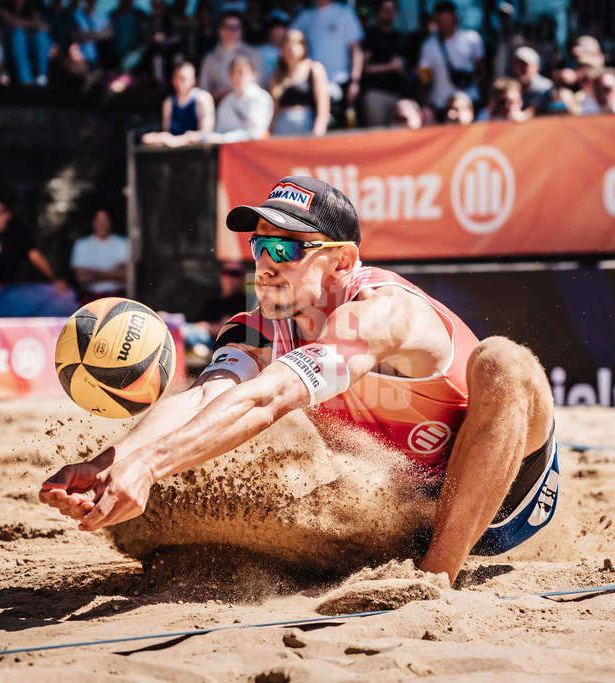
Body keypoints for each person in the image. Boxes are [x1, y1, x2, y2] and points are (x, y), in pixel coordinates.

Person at [39, 175, 558, 586]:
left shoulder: (379, 311)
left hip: (505, 497)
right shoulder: (257, 327)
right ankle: (417, 555)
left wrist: (150, 468)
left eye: (286, 249)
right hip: (409, 511)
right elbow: (204, 397)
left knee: (504, 363)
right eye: (259, 245)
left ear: (342, 261)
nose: (265, 263)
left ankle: (434, 580)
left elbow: (271, 398)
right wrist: (113, 463)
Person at [290, 0, 364, 127]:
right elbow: (288, 39)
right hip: (312, 84)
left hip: (341, 82)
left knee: (342, 127)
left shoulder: (344, 13)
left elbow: (356, 49)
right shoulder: (306, 16)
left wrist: (354, 80)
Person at [0, 198, 66, 288]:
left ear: (7, 214)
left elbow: (35, 256)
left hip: (11, 291)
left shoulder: (17, 234)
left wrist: (54, 279)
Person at [417, 0, 485, 119]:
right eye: (441, 20)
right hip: (440, 104)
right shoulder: (428, 46)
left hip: (469, 101)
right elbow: (425, 79)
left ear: (455, 18)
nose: (445, 24)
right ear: (436, 21)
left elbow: (482, 71)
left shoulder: (472, 39)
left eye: (447, 19)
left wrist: (484, 97)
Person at [269, 29, 331, 136]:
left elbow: (323, 106)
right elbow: (274, 110)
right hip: (282, 128)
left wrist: (319, 131)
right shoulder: (277, 75)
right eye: (287, 47)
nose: (291, 51)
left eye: (294, 45)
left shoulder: (314, 69)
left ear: (303, 47)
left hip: (306, 126)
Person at [141, 61, 216, 147]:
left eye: (183, 79)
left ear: (193, 80)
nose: (180, 83)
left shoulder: (203, 98)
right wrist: (158, 138)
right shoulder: (169, 102)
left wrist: (176, 140)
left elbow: (206, 133)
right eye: (177, 78)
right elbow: (168, 132)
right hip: (175, 153)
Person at [360, 0, 409, 128]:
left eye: (391, 9)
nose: (388, 13)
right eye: (384, 10)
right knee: (377, 134)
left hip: (396, 93)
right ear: (377, 12)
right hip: (375, 93)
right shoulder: (368, 35)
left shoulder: (400, 38)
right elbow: (364, 67)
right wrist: (390, 66)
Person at [198, 10, 263, 104]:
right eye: (227, 27)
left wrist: (233, 93)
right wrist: (221, 95)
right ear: (219, 30)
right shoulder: (209, 59)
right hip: (218, 109)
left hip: (247, 108)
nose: (231, 31)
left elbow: (259, 86)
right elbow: (202, 92)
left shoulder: (253, 55)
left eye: (236, 27)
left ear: (242, 30)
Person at [207, 56, 274, 143]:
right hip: (230, 153)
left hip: (255, 151)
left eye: (241, 72)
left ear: (251, 75)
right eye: (233, 73)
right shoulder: (226, 102)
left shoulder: (261, 98)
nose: (236, 77)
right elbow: (219, 131)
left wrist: (226, 138)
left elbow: (258, 133)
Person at [69, 206, 128, 303]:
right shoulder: (82, 245)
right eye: (99, 221)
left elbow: (125, 274)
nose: (102, 225)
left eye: (105, 221)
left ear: (110, 222)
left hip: (117, 297)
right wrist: (112, 273)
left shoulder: (122, 243)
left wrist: (94, 272)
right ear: (93, 222)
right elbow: (82, 278)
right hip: (92, 298)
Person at [510, 45, 553, 115]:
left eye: (525, 65)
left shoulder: (547, 87)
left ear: (537, 66)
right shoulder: (510, 87)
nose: (522, 68)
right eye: (519, 64)